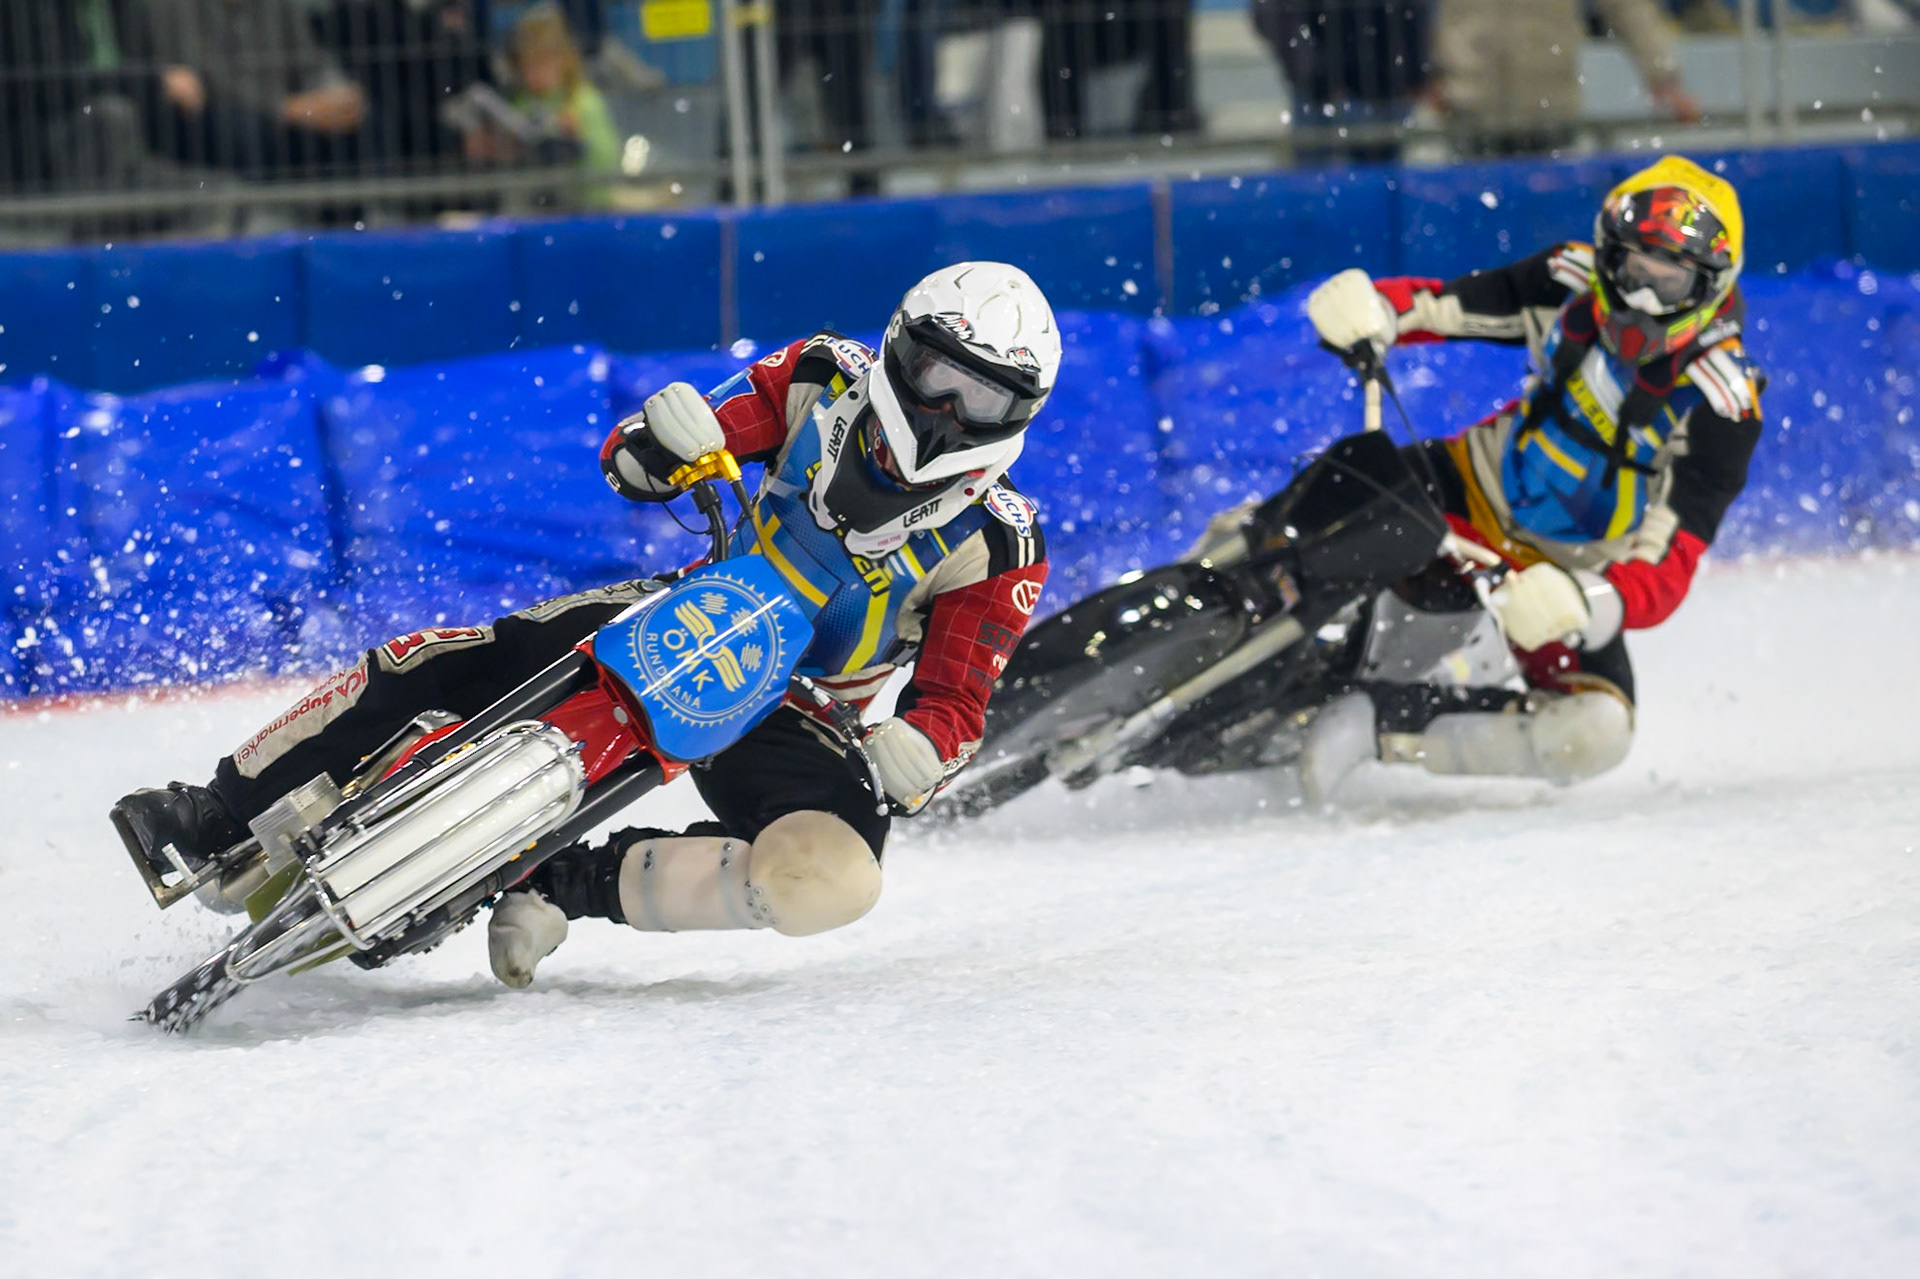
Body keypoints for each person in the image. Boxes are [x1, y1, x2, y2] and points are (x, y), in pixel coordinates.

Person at [111, 262, 1060, 988]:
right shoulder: (822, 374)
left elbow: (958, 702)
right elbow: (663, 443)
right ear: (900, 347)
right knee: (445, 657)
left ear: (1018, 416)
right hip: (690, 610)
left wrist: (922, 746)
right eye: (938, 373)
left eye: (981, 399)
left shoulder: (1003, 542)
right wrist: (660, 446)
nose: (945, 411)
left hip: (806, 709)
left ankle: (569, 883)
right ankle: (216, 810)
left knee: (836, 878)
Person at [1289, 155, 1762, 800]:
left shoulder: (1722, 401)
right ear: (1607, 254)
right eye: (1631, 268)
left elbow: (1673, 553)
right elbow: (1450, 304)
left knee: (1597, 731)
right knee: (1323, 502)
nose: (1641, 297)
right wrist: (1374, 311)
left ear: (1710, 286)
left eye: (1668, 281)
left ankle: (1380, 723)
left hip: (1559, 581)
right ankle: (1226, 564)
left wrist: (1589, 601)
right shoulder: (1571, 279)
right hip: (1466, 485)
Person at [1428, 0, 1699, 154]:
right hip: (1468, 111)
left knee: (1546, 230)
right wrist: (1423, 77)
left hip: (1547, 111)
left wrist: (1663, 76)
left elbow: (1626, 6)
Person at [136, 0, 368, 176]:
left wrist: (336, 91)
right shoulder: (172, 8)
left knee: (350, 123)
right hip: (214, 112)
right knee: (244, 132)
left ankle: (347, 228)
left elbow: (312, 61)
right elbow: (207, 80)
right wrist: (282, 107)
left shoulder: (278, 6)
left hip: (294, 109)